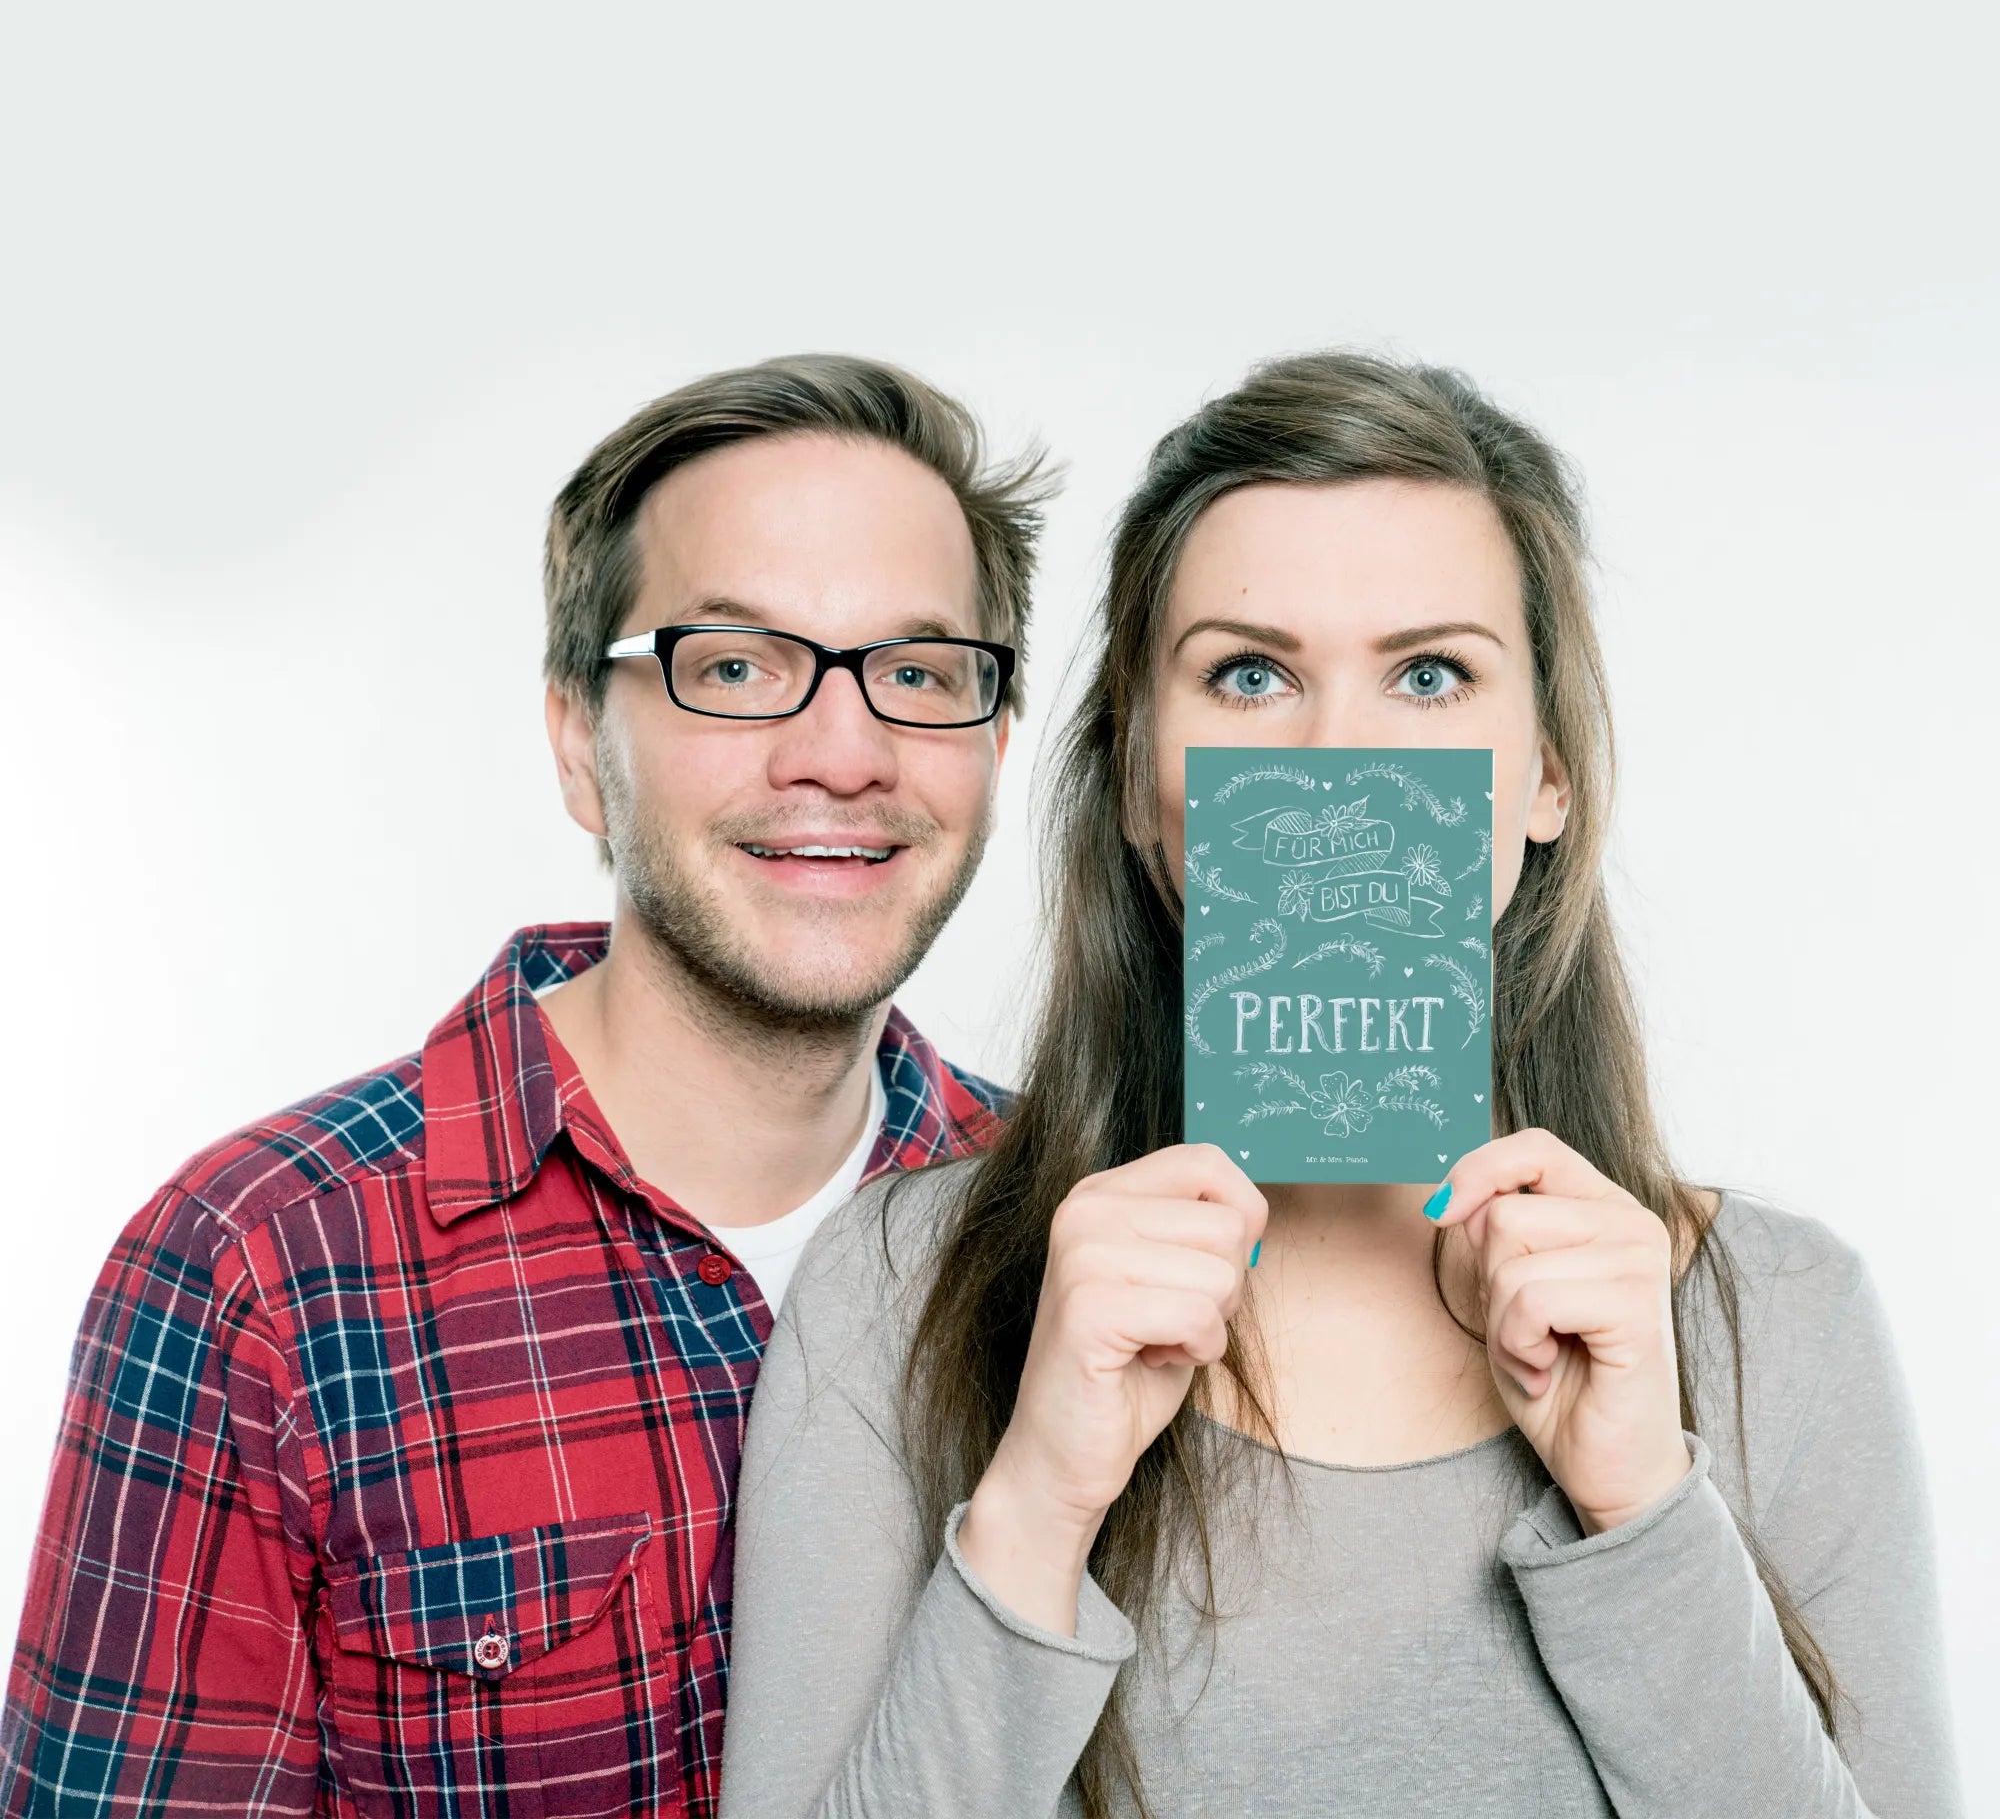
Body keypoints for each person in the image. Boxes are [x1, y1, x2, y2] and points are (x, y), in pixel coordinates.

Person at [718, 352, 1963, 1817]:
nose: (1339, 756)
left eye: (1430, 676)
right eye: (1250, 675)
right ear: (1138, 777)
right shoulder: (898, 1289)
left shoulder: (1783, 1320)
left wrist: (1641, 1507)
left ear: (1547, 775)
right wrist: (1038, 1500)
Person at [0, 354, 1051, 1818]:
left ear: (994, 741)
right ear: (578, 745)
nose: (844, 753)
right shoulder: (255, 1273)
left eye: (919, 675)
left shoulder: (1067, 1215)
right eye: (735, 667)